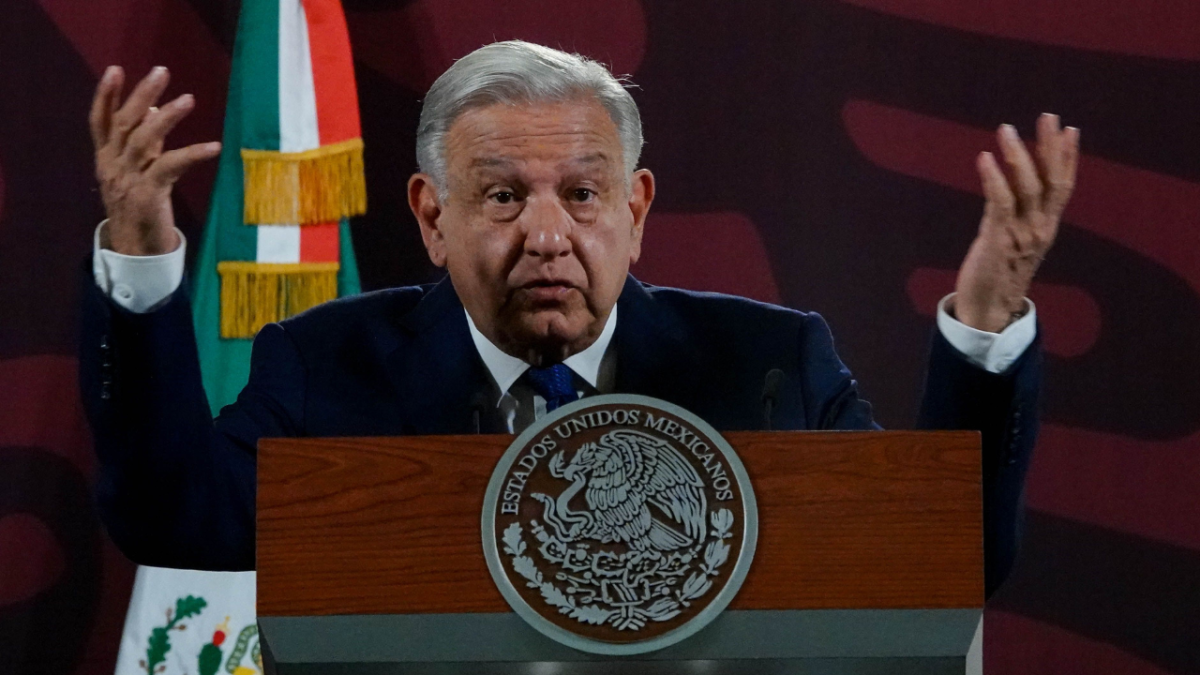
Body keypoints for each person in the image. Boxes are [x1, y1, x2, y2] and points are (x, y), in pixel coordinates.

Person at [82, 41, 1077, 596]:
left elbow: (945, 559)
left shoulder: (769, 366)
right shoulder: (327, 365)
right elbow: (175, 521)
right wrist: (138, 258)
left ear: (637, 211)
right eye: (504, 197)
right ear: (433, 219)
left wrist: (987, 321)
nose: (549, 236)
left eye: (584, 196)